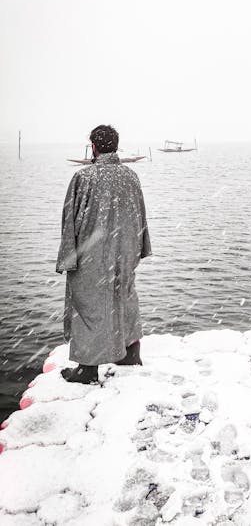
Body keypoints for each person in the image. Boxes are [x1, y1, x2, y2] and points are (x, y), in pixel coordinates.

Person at [56, 124, 152, 384]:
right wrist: (140, 248)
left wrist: (67, 258)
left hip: (92, 254)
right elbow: (140, 213)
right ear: (116, 146)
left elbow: (70, 220)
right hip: (125, 250)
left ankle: (87, 369)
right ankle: (130, 353)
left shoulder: (83, 178)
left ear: (94, 147)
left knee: (87, 306)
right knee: (124, 298)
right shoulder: (131, 176)